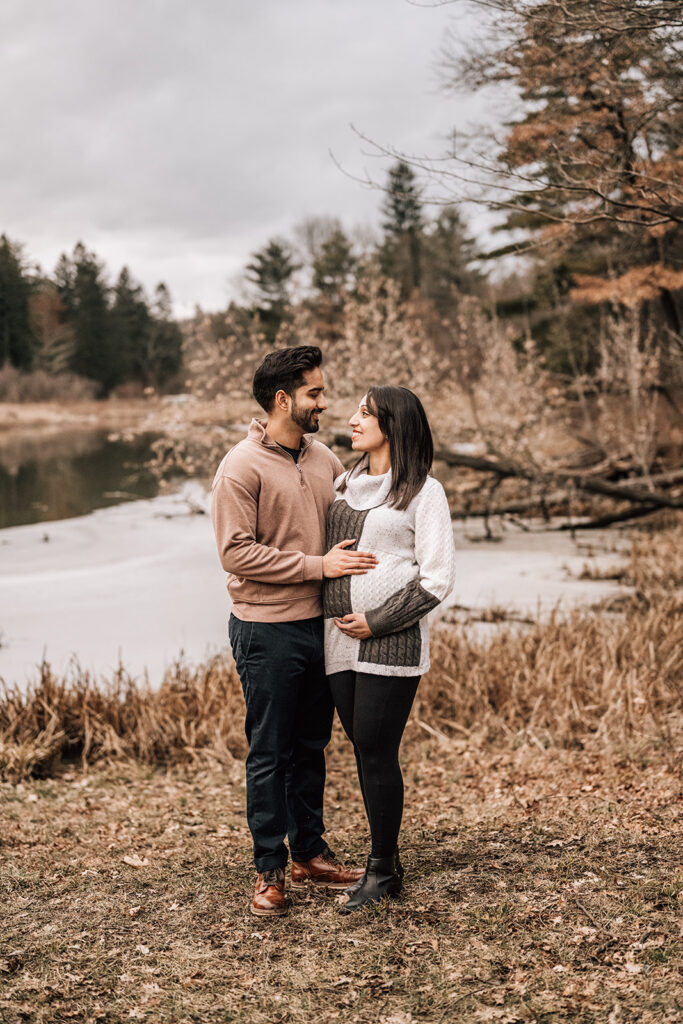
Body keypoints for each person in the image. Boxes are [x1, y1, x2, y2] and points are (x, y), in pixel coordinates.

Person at [211, 345, 376, 917]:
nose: (324, 402)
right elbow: (235, 554)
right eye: (315, 393)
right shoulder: (240, 466)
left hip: (321, 628)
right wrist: (317, 566)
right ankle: (268, 869)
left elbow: (361, 509)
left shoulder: (323, 457)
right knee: (271, 750)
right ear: (283, 399)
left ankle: (309, 851)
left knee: (311, 745)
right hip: (266, 631)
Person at [323, 385, 456, 914]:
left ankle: (383, 869)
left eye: (365, 413)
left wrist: (377, 622)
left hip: (390, 645)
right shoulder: (342, 482)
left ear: (393, 425)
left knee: (376, 749)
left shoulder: (425, 492)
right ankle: (387, 860)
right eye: (356, 411)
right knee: (361, 745)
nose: (353, 420)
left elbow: (437, 578)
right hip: (336, 643)